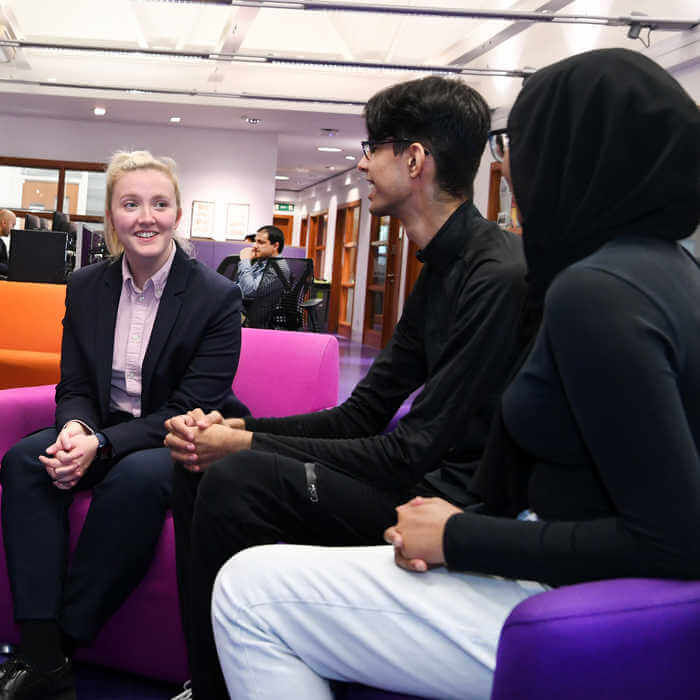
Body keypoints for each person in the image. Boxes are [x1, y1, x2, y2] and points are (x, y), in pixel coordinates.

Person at [209, 48, 700, 699]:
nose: (514, 165)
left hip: (572, 609)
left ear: (573, 153)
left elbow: (673, 539)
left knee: (247, 594)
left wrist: (459, 536)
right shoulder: (668, 273)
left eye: (522, 142)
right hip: (586, 590)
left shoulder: (596, 292)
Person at [166, 76, 530, 698]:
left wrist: (249, 448)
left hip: (445, 512)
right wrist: (239, 432)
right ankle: (211, 681)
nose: (360, 162)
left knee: (233, 477)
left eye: (372, 147)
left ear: (414, 159)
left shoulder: (495, 276)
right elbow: (363, 412)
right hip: (411, 482)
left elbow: (410, 451)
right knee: (203, 462)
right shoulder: (440, 267)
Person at [0, 150, 248, 700]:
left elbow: (189, 405)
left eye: (160, 204)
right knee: (24, 461)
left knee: (134, 479)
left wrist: (101, 445)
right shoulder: (87, 285)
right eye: (130, 203)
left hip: (182, 436)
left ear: (178, 215)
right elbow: (76, 385)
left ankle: (64, 641)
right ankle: (41, 650)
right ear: (111, 214)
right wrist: (75, 430)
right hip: (105, 427)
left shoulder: (216, 296)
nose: (146, 217)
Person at [0, 209, 16, 276]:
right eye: (13, 225)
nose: (13, 228)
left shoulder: (1, 243)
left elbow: (5, 262)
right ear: (4, 223)